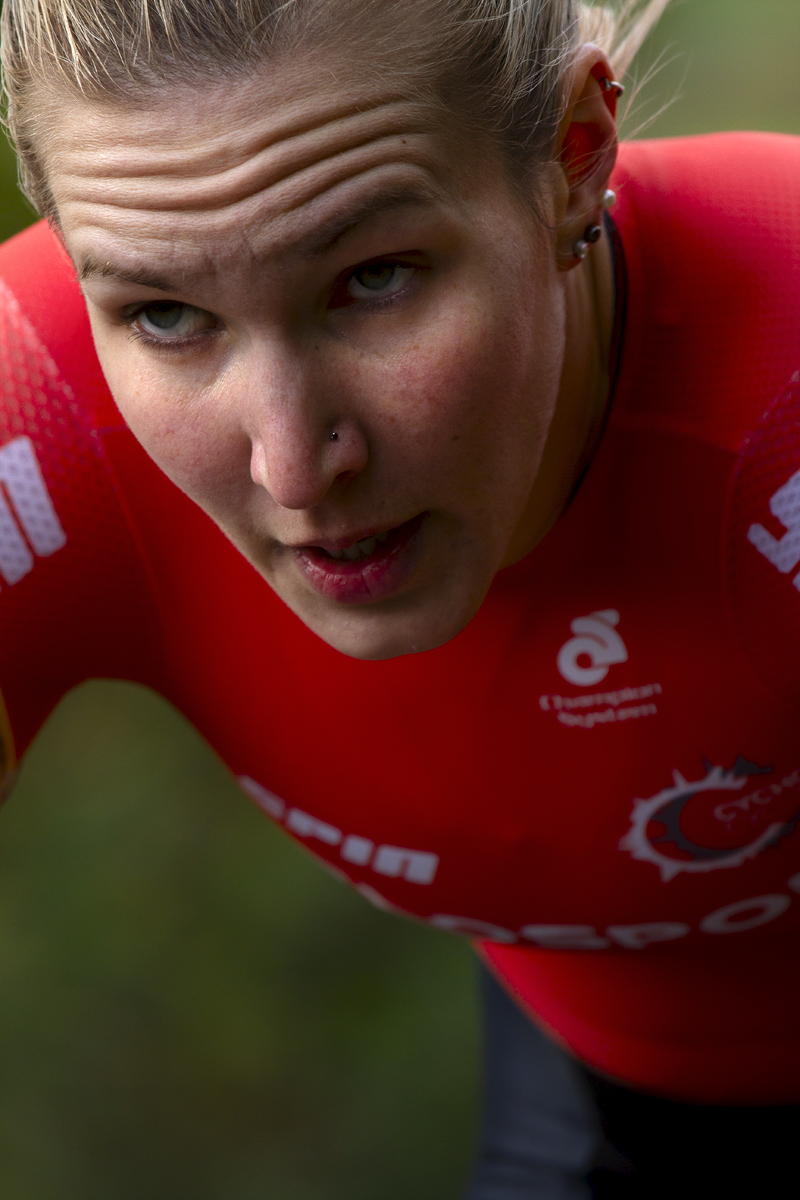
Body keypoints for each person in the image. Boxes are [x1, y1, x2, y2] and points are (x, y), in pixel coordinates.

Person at [0, 0, 798, 1194]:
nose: (289, 464)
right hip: (601, 1095)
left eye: (373, 277)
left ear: (574, 158)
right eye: (164, 314)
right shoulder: (43, 416)